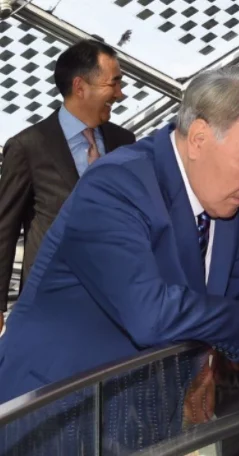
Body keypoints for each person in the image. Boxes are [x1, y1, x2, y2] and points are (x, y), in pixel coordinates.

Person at [0, 65, 239, 416]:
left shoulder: (229, 204)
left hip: (140, 414)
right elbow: (149, 312)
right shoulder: (115, 186)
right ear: (199, 138)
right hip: (52, 412)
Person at [0, 40, 136, 332]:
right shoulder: (28, 146)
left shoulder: (125, 142)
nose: (120, 94)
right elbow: (4, 229)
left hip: (115, 303)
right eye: (113, 83)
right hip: (51, 303)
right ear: (80, 86)